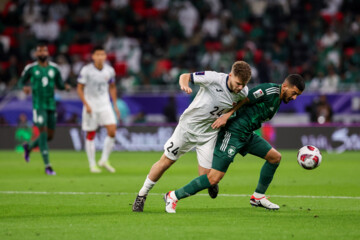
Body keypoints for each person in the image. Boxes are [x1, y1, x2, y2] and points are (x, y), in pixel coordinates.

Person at [164, 74, 305, 213]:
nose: (294, 98)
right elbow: (244, 99)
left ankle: (258, 197)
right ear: (285, 86)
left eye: (297, 95)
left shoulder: (278, 100)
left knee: (275, 158)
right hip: (232, 133)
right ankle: (173, 196)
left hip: (247, 135)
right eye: (294, 93)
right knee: (213, 178)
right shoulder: (269, 90)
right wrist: (226, 115)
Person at [132, 61, 252, 212]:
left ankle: (212, 184)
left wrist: (227, 115)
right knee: (166, 162)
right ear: (230, 75)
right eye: (238, 83)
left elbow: (243, 100)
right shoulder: (213, 78)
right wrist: (184, 85)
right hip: (187, 129)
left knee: (207, 178)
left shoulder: (243, 91)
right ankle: (141, 195)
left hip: (208, 134)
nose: (240, 87)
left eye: (243, 84)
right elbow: (185, 76)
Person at [20, 43, 70, 175]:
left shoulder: (55, 68)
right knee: (42, 132)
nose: (42, 53)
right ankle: (48, 166)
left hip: (51, 105)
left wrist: (65, 87)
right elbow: (21, 81)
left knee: (49, 136)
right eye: (39, 51)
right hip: (38, 105)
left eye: (44, 51)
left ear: (48, 53)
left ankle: (29, 147)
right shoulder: (30, 68)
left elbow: (59, 84)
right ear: (36, 54)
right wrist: (24, 87)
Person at [77, 46, 120, 173]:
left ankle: (104, 160)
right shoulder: (87, 70)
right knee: (91, 134)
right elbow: (79, 88)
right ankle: (92, 165)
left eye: (103, 54)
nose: (100, 57)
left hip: (105, 105)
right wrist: (86, 104)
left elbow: (112, 87)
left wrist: (115, 105)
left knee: (112, 131)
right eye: (98, 54)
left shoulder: (109, 70)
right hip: (91, 105)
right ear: (93, 56)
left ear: (105, 56)